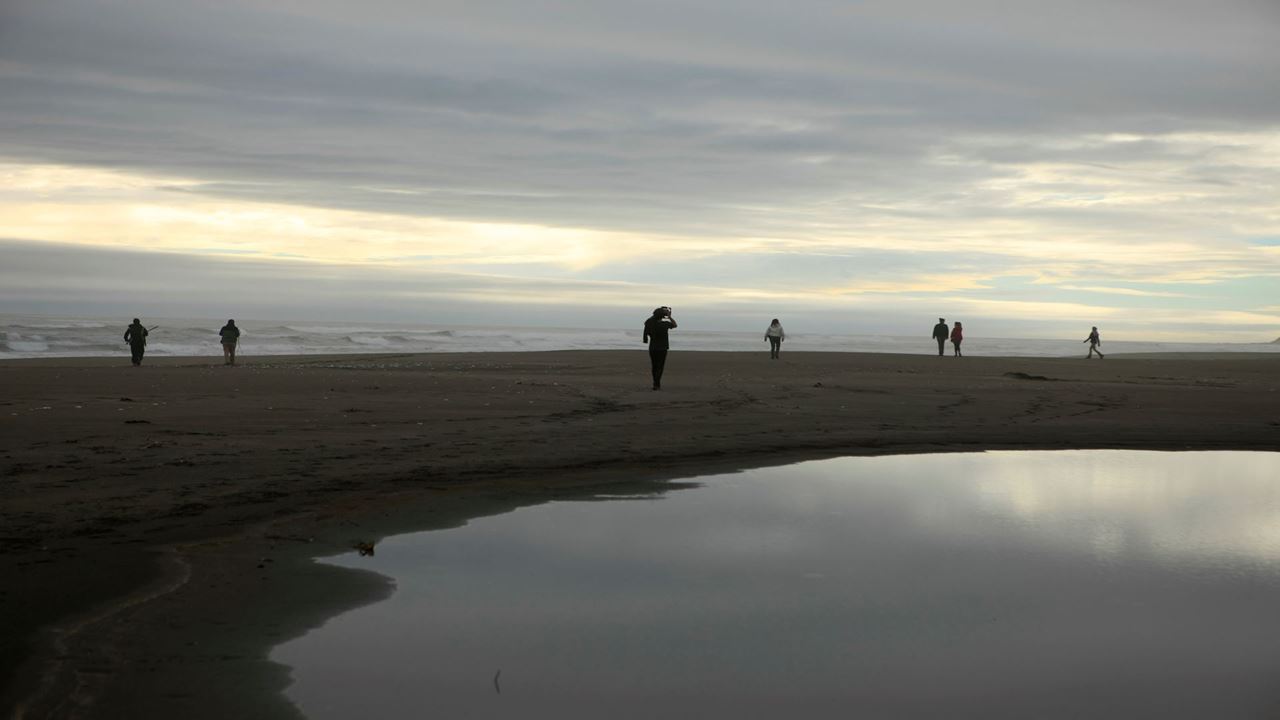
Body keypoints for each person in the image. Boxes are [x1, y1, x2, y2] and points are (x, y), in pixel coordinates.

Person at [642, 306, 678, 390]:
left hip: (653, 348)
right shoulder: (664, 324)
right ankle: (657, 384)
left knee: (654, 366)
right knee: (660, 366)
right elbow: (675, 325)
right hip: (662, 348)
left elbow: (646, 322)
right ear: (662, 316)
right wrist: (669, 316)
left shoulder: (650, 323)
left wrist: (658, 313)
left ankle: (655, 383)